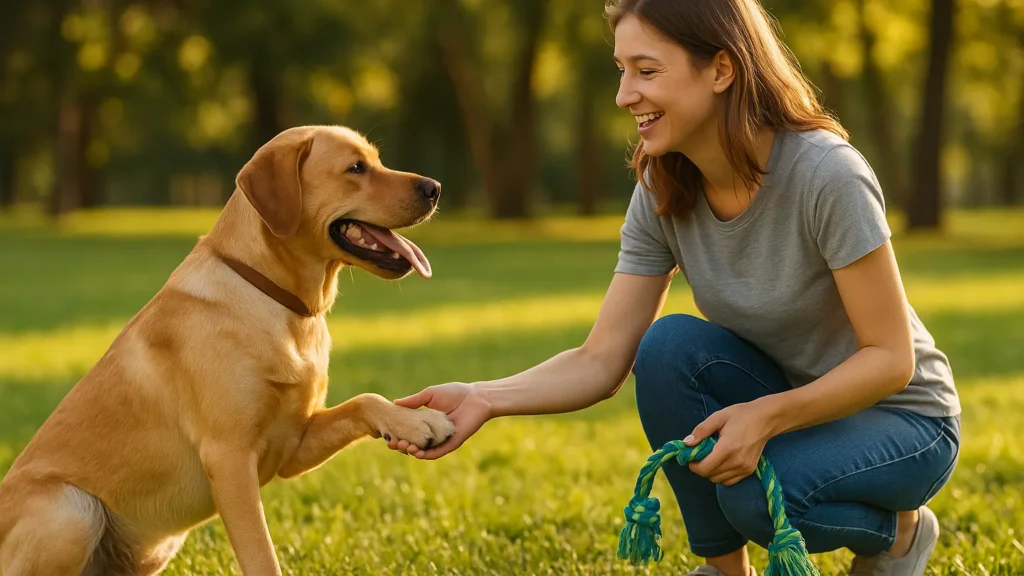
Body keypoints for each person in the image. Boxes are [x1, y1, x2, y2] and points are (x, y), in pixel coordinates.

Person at [387, 1, 961, 574]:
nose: (624, 95)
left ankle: (899, 533)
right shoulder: (662, 186)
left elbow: (890, 359)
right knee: (666, 349)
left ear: (721, 69)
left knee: (752, 496)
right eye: (621, 70)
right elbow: (601, 357)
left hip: (905, 420)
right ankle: (725, 570)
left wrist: (763, 417)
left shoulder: (826, 174)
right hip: (793, 401)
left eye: (647, 70)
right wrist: (486, 397)